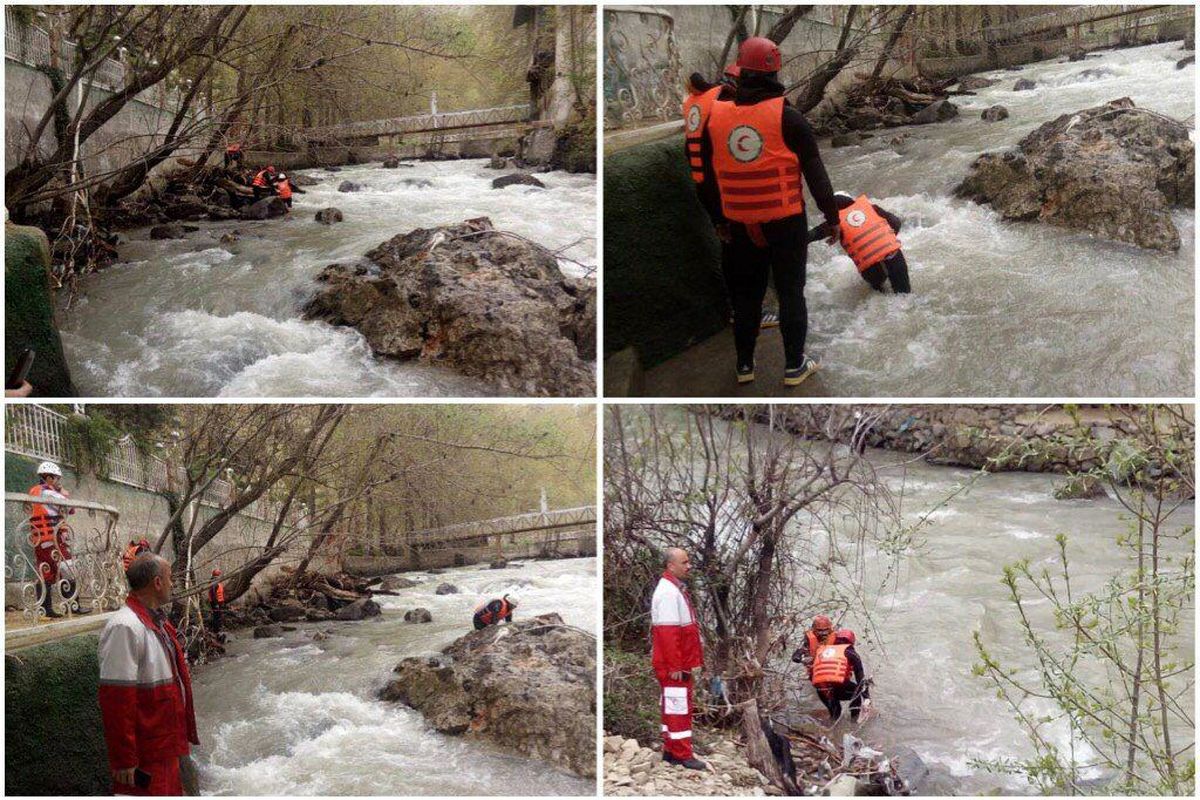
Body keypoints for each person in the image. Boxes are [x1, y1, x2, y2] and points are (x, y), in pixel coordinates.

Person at [702, 37, 841, 387]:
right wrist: (833, 218)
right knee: (791, 292)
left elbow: (704, 178)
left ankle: (744, 366)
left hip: (736, 223)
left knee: (745, 297)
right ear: (775, 71)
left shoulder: (714, 119)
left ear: (741, 71)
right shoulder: (790, 118)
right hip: (786, 223)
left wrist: (717, 219)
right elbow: (817, 177)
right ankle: (794, 366)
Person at [98, 553, 199, 795]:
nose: (172, 584)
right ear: (157, 583)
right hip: (146, 754)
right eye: (169, 578)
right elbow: (116, 700)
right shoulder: (125, 627)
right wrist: (124, 758)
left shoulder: (157, 623)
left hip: (164, 746)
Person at [651, 547, 706, 770]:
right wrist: (676, 665)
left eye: (688, 561)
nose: (689, 565)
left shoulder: (673, 589)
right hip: (674, 664)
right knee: (678, 707)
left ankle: (671, 750)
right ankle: (683, 754)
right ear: (670, 566)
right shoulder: (668, 593)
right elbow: (668, 633)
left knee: (672, 705)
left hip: (677, 661)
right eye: (684, 562)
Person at [808, 192, 911, 293]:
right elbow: (895, 222)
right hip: (894, 257)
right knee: (904, 297)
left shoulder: (835, 223)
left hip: (872, 269)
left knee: (880, 296)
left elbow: (812, 235)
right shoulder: (871, 208)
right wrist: (886, 238)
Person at [790, 614, 871, 722]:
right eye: (820, 631)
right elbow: (860, 677)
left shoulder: (831, 642)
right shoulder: (850, 652)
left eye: (825, 631)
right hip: (835, 680)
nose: (823, 634)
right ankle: (854, 722)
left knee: (835, 712)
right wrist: (867, 697)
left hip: (820, 683)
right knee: (856, 693)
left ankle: (832, 729)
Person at [28, 461, 81, 618]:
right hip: (51, 538)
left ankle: (46, 610)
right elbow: (70, 508)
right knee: (68, 567)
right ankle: (73, 605)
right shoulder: (46, 492)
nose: (59, 482)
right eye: (57, 479)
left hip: (42, 539)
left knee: (46, 572)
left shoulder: (35, 491)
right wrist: (64, 492)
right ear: (49, 478)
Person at [208, 569, 226, 634]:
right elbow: (213, 594)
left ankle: (218, 629)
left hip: (219, 601)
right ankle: (216, 631)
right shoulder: (214, 582)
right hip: (216, 602)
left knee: (218, 616)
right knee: (217, 616)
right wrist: (216, 604)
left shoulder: (216, 582)